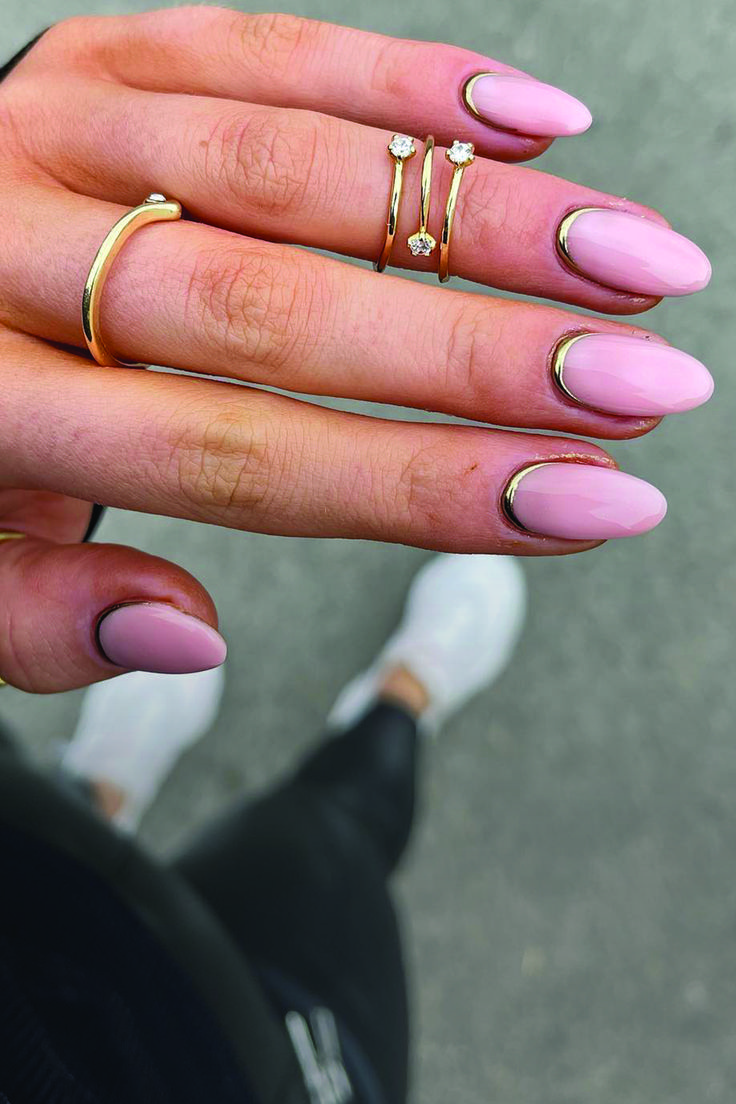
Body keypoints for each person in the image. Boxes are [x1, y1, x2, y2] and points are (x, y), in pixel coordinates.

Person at [0, 552, 525, 1103]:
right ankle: (398, 704)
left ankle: (93, 803)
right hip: (236, 1066)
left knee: (43, 849)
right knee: (328, 849)